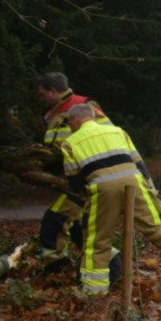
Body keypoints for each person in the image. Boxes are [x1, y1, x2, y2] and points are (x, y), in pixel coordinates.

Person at [58, 104, 161, 295]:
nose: (69, 126)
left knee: (97, 242)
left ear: (75, 120)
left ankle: (93, 296)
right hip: (134, 183)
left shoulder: (70, 143)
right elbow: (139, 163)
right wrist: (150, 189)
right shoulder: (118, 131)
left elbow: (75, 182)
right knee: (158, 228)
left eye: (69, 122)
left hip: (102, 190)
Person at [33, 72, 110, 254]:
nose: (41, 99)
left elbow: (105, 138)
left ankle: (53, 271)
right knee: (79, 231)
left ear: (53, 91)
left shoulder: (84, 106)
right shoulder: (55, 113)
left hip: (85, 178)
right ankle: (109, 268)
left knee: (53, 223)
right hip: (70, 178)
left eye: (42, 94)